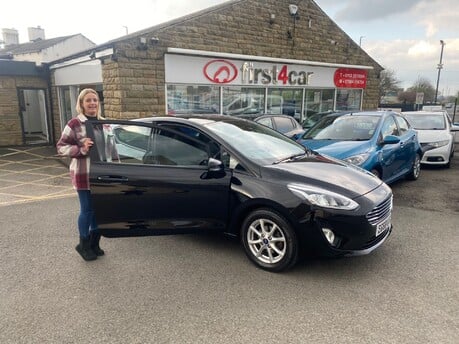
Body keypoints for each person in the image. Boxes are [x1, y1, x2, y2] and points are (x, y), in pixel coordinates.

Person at [57, 88, 105, 261]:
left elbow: (111, 147)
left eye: (95, 100)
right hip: (83, 173)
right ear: (82, 104)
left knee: (98, 210)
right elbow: (61, 147)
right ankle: (83, 245)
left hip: (101, 174)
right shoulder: (74, 123)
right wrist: (81, 149)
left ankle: (94, 243)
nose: (92, 103)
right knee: (87, 210)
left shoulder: (103, 123)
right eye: (88, 100)